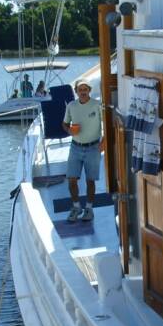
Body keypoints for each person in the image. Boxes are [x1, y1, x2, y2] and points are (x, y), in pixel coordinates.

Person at [63, 79, 102, 222]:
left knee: (90, 181)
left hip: (93, 147)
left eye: (85, 89)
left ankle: (89, 209)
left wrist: (103, 141)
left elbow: (107, 123)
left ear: (89, 90)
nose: (83, 92)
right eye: (80, 90)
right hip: (75, 147)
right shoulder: (71, 106)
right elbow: (65, 124)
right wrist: (69, 130)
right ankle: (76, 207)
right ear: (76, 92)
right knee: (71, 179)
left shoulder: (97, 105)